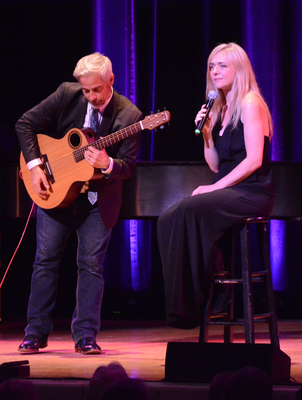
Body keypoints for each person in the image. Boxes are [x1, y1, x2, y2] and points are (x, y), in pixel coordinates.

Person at [16, 52, 143, 354]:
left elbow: (128, 166)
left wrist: (108, 162)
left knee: (90, 266)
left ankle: (85, 336)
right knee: (44, 262)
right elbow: (25, 124)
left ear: (110, 81)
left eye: (96, 90)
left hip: (97, 202)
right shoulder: (66, 94)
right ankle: (35, 333)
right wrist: (35, 168)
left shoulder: (130, 116)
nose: (91, 97)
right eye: (86, 90)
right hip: (56, 192)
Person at [157, 42, 275, 329]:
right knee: (168, 217)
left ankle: (205, 297)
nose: (215, 71)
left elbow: (254, 160)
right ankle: (199, 295)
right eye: (212, 66)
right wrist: (207, 134)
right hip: (231, 189)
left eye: (223, 65)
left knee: (188, 210)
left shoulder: (249, 103)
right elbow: (214, 164)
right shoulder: (222, 109)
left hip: (253, 191)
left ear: (240, 68)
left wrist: (214, 188)